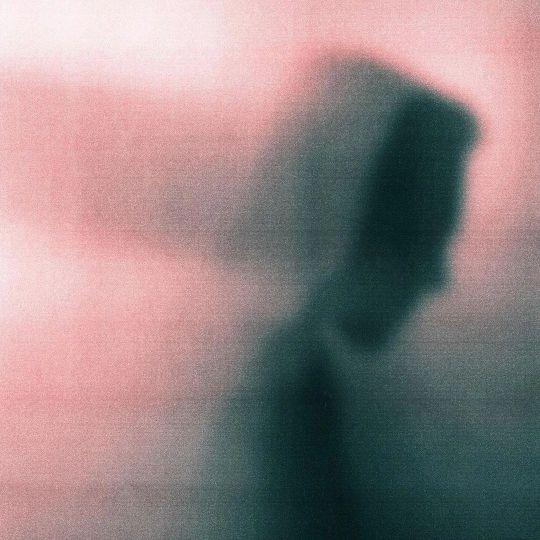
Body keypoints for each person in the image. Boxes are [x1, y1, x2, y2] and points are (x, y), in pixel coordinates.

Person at [197, 56, 478, 539]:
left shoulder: (302, 382)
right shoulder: (299, 405)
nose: (439, 277)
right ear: (369, 232)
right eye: (429, 239)